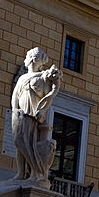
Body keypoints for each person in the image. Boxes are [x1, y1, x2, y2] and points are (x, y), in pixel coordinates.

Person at [11, 47, 60, 185]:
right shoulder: (23, 77)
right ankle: (21, 173)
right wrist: (15, 109)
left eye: (27, 56)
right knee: (19, 143)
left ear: (32, 59)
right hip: (20, 114)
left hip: (30, 116)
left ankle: (36, 172)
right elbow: (15, 95)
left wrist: (54, 80)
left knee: (25, 143)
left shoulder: (42, 77)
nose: (25, 59)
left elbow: (49, 94)